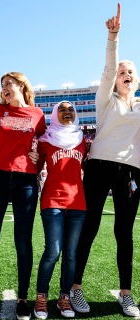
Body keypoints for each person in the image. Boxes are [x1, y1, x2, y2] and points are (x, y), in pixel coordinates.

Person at [70, 3, 140, 317]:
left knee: (124, 233)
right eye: (123, 72)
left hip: (129, 173)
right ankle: (75, 289)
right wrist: (113, 38)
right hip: (99, 167)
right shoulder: (105, 100)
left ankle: (126, 294)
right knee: (90, 227)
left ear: (137, 82)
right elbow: (109, 69)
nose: (125, 75)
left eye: (131, 73)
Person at [0, 72, 46, 320]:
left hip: (26, 180)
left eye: (8, 84)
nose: (3, 88)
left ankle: (23, 298)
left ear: (21, 85)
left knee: (23, 242)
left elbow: (46, 142)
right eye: (2, 85)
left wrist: (41, 158)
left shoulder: (37, 115)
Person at [31, 101, 86, 319]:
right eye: (61, 110)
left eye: (70, 109)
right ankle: (41, 297)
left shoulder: (83, 140)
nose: (67, 112)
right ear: (54, 115)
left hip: (78, 203)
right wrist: (32, 158)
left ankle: (64, 297)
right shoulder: (46, 140)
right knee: (53, 251)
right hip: (52, 201)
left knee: (71, 254)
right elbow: (35, 168)